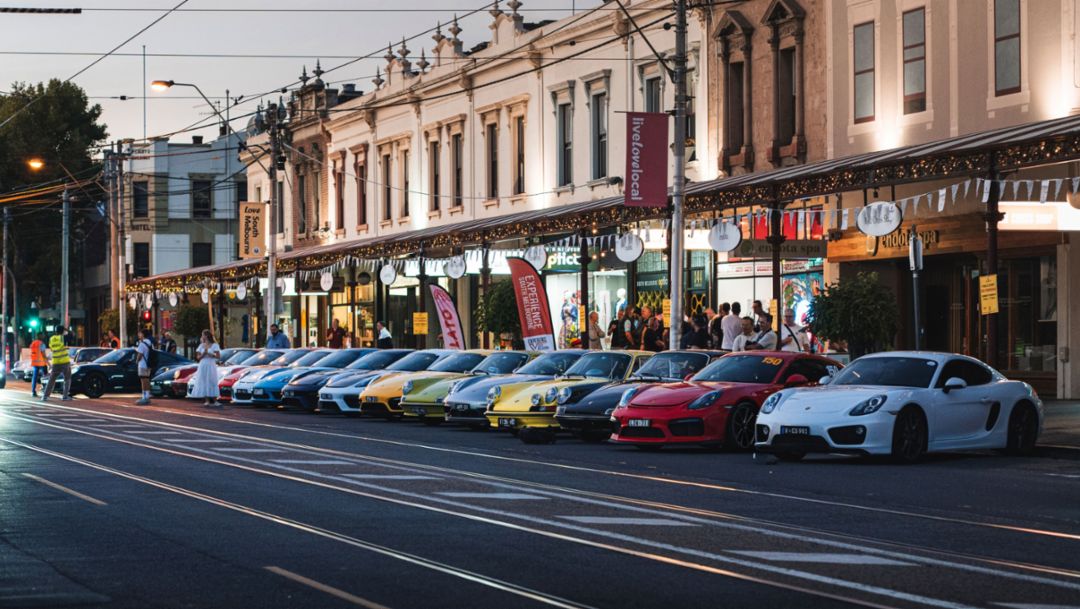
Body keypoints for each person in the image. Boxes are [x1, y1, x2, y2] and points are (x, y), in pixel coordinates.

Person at [190, 330, 222, 408]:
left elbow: (218, 356)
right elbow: (198, 357)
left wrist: (211, 354)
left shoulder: (214, 345)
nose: (202, 336)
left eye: (203, 335)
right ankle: (207, 400)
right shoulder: (201, 346)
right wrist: (204, 354)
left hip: (211, 364)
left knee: (212, 380)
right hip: (203, 364)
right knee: (204, 380)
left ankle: (215, 400)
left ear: (206, 336)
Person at [41, 332, 72, 401]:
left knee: (51, 379)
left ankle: (45, 396)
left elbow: (51, 348)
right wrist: (66, 331)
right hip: (64, 361)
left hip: (55, 361)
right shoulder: (62, 338)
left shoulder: (51, 339)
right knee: (67, 378)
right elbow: (71, 336)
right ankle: (65, 396)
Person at [135, 329, 154, 405]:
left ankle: (144, 397)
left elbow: (140, 355)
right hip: (148, 364)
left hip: (143, 364)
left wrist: (136, 360)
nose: (139, 335)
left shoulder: (142, 344)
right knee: (147, 379)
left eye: (140, 334)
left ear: (143, 334)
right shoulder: (150, 343)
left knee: (143, 380)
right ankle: (147, 395)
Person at [29, 332, 48, 397]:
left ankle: (33, 391)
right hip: (41, 362)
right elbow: (43, 354)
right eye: (43, 335)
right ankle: (45, 390)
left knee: (34, 377)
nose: (44, 336)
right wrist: (48, 362)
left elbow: (32, 351)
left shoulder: (33, 343)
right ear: (40, 336)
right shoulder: (41, 344)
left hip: (34, 362)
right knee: (45, 376)